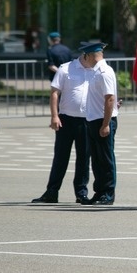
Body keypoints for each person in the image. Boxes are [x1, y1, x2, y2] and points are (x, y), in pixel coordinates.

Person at [31, 52, 92, 204]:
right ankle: (52, 192)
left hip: (87, 120)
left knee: (84, 158)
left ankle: (81, 193)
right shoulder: (66, 69)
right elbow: (54, 93)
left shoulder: (96, 70)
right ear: (87, 55)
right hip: (66, 119)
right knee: (60, 157)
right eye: (95, 55)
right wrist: (54, 116)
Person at [79, 42, 118, 205]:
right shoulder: (93, 72)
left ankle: (107, 193)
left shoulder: (104, 72)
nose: (83, 59)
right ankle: (99, 191)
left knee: (105, 159)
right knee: (96, 160)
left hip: (103, 121)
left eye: (84, 56)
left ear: (89, 56)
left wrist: (106, 124)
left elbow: (109, 98)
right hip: (93, 120)